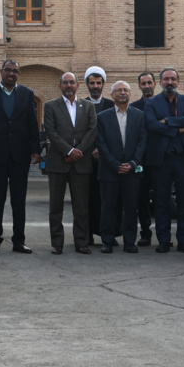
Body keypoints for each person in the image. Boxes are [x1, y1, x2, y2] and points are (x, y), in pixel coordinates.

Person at [0, 60, 39, 254]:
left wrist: (36, 149)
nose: (11, 74)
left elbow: (32, 123)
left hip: (20, 155)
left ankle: (19, 241)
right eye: (8, 70)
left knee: (19, 201)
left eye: (15, 71)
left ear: (18, 74)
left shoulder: (27, 94)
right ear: (1, 71)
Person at [144, 68, 184, 253]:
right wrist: (179, 127)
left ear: (178, 82)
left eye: (173, 79)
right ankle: (164, 240)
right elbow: (151, 125)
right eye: (166, 79)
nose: (169, 82)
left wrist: (167, 121)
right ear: (160, 82)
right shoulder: (151, 102)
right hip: (161, 159)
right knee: (161, 202)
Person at [43, 72, 98, 254]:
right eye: (65, 82)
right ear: (60, 86)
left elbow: (92, 130)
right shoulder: (51, 106)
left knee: (81, 206)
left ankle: (81, 242)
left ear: (78, 85)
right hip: (58, 162)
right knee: (56, 206)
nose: (69, 85)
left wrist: (77, 152)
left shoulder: (88, 106)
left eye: (72, 82)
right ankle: (57, 243)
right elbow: (51, 131)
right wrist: (68, 151)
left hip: (81, 162)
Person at [95, 81, 147, 253]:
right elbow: (101, 144)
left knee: (131, 207)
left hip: (132, 171)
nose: (122, 92)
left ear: (130, 93)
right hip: (109, 170)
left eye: (125, 90)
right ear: (112, 95)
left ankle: (129, 241)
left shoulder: (139, 115)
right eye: (118, 90)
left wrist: (133, 163)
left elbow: (142, 142)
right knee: (108, 207)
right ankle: (107, 241)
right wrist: (115, 164)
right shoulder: (102, 117)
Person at [83, 66, 115, 244]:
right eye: (92, 83)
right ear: (87, 84)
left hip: (106, 160)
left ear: (103, 84)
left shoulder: (111, 105)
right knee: (88, 199)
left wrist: (102, 150)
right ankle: (87, 234)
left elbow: (114, 132)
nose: (95, 86)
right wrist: (91, 149)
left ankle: (107, 234)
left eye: (98, 83)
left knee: (107, 199)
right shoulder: (81, 105)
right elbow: (80, 132)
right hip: (87, 160)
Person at [130, 71, 156, 246]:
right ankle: (145, 233)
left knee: (162, 198)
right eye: (143, 83)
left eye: (149, 83)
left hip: (161, 159)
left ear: (155, 84)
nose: (147, 86)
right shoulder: (134, 107)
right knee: (142, 198)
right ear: (139, 86)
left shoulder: (163, 104)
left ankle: (164, 235)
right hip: (140, 160)